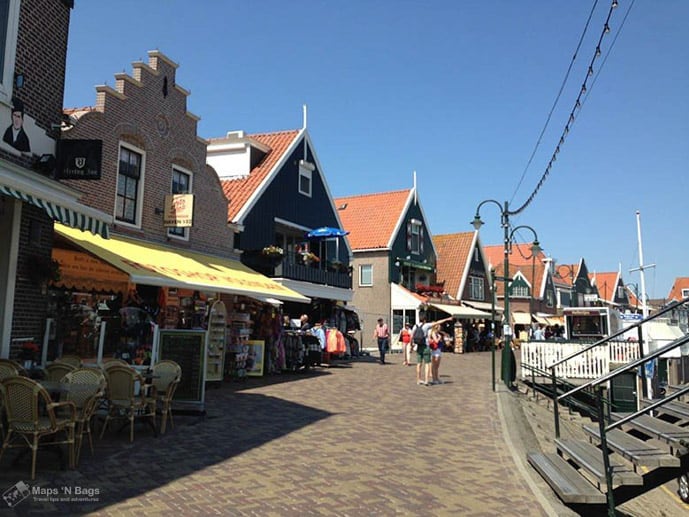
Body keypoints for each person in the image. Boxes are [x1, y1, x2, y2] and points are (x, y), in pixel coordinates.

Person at [414, 314, 453, 385]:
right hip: (425, 346)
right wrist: (447, 319)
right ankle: (426, 380)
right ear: (425, 320)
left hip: (419, 346)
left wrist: (411, 345)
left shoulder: (415, 326)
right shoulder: (426, 326)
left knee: (419, 364)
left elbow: (412, 336)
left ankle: (418, 379)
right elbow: (438, 322)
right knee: (427, 364)